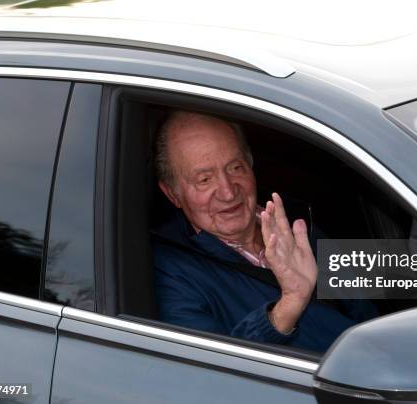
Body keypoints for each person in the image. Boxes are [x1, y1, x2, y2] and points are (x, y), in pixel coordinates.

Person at [152, 110, 376, 352]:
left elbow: (365, 299)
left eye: (236, 167)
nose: (228, 192)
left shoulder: (293, 219)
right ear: (172, 193)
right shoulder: (169, 270)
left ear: (250, 164)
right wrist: (287, 306)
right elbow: (215, 373)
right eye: (204, 180)